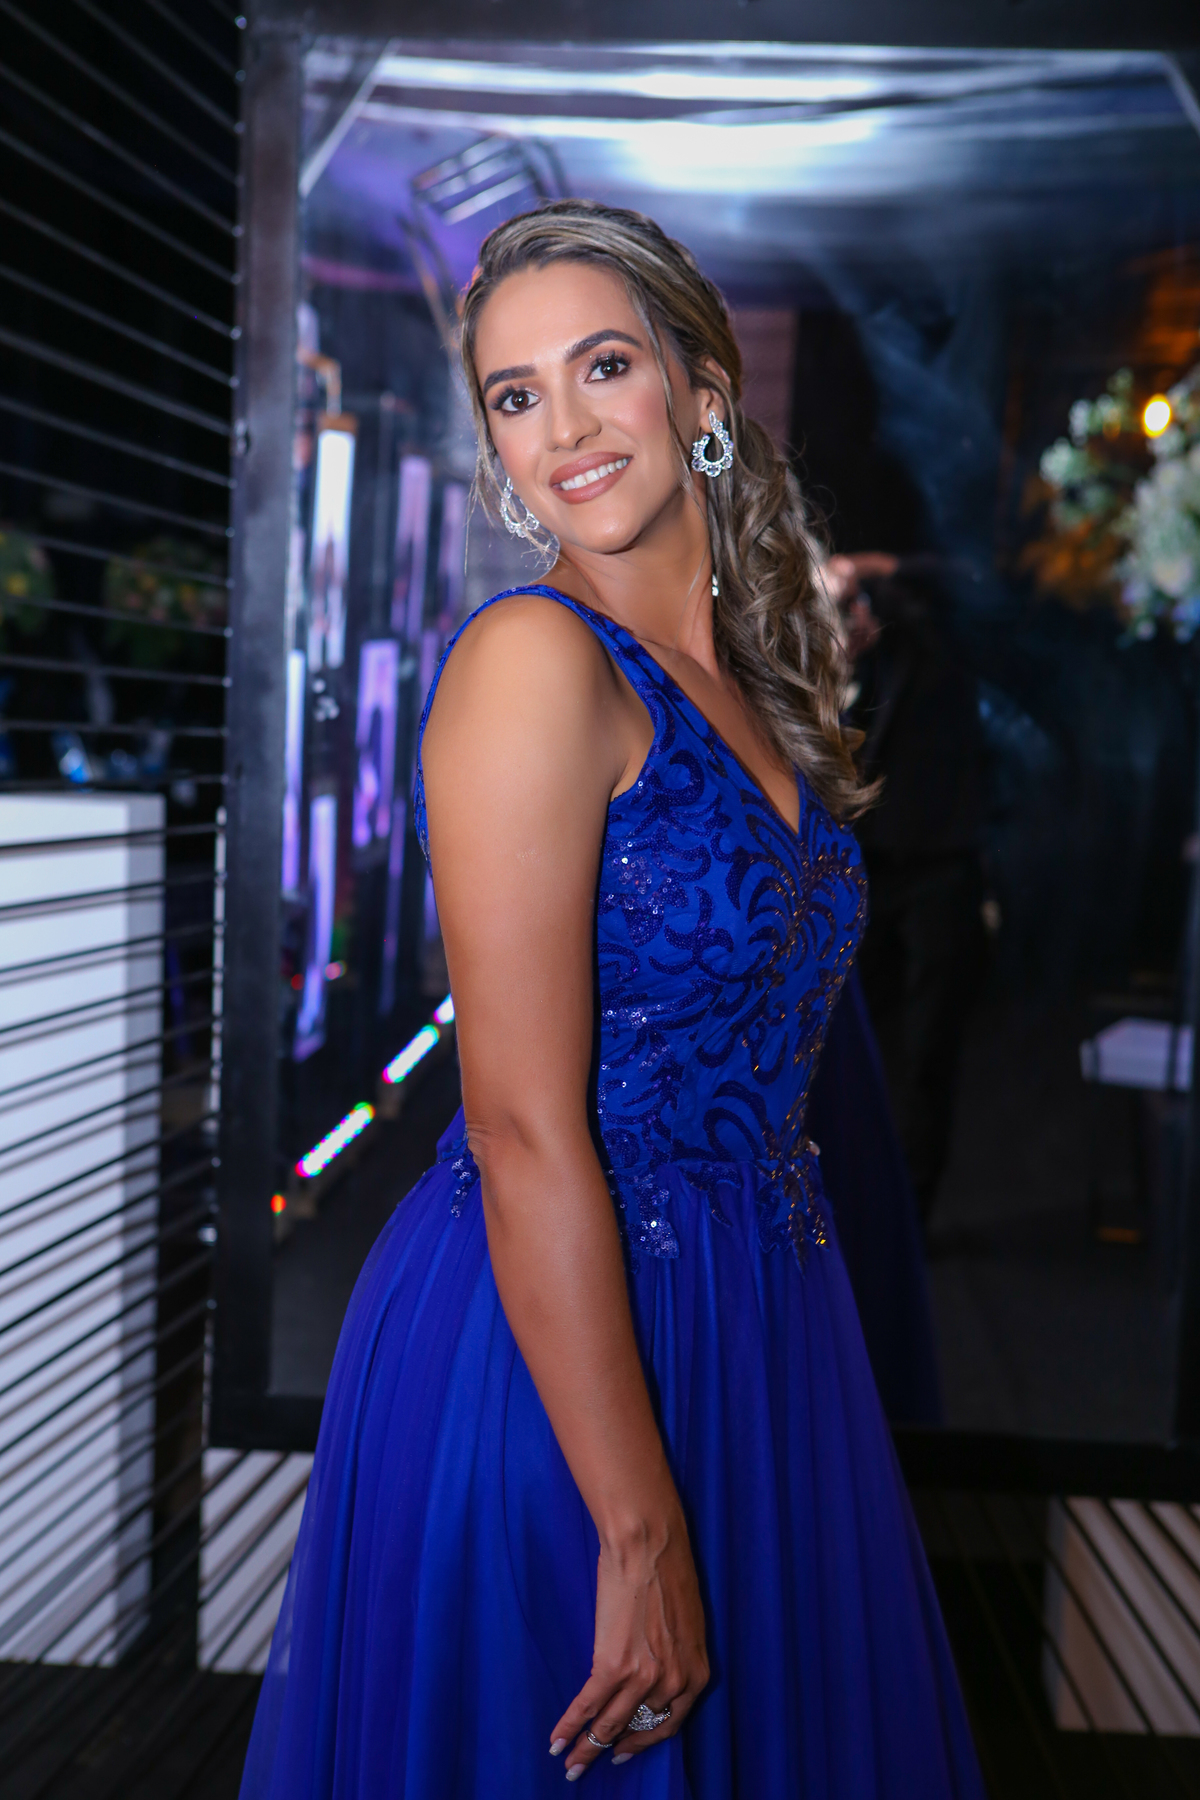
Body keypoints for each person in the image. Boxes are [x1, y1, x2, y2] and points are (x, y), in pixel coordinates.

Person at [239, 200, 983, 1799]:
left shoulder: (753, 683)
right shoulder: (532, 661)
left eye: (602, 367)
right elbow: (518, 1125)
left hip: (759, 1322)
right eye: (516, 395)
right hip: (553, 1343)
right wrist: (635, 1524)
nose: (565, 429)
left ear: (701, 390)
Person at [826, 554, 987, 1224]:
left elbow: (961, 582)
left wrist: (860, 571)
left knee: (926, 1053)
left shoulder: (928, 633)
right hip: (860, 868)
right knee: (852, 1043)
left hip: (938, 860)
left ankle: (912, 1214)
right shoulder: (819, 659)